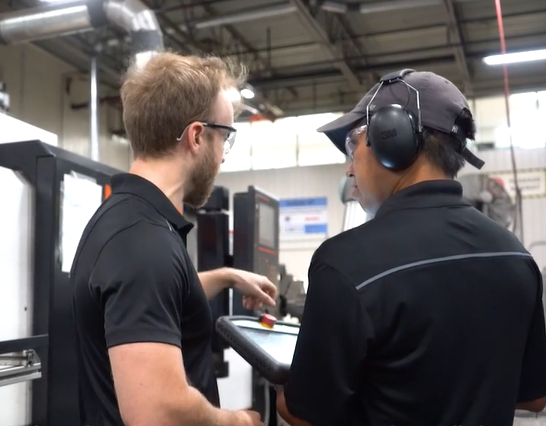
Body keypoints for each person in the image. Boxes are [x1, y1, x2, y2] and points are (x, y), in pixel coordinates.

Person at [276, 69, 546, 426]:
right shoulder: (515, 256)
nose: (348, 170)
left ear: (391, 138)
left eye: (350, 146)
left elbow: (306, 415)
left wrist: (282, 388)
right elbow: (534, 397)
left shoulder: (343, 262)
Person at [71, 52, 276, 426]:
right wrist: (238, 421)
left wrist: (228, 276)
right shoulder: (145, 244)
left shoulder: (128, 222)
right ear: (197, 137)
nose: (223, 159)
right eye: (224, 138)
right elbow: (158, 412)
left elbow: (158, 296)